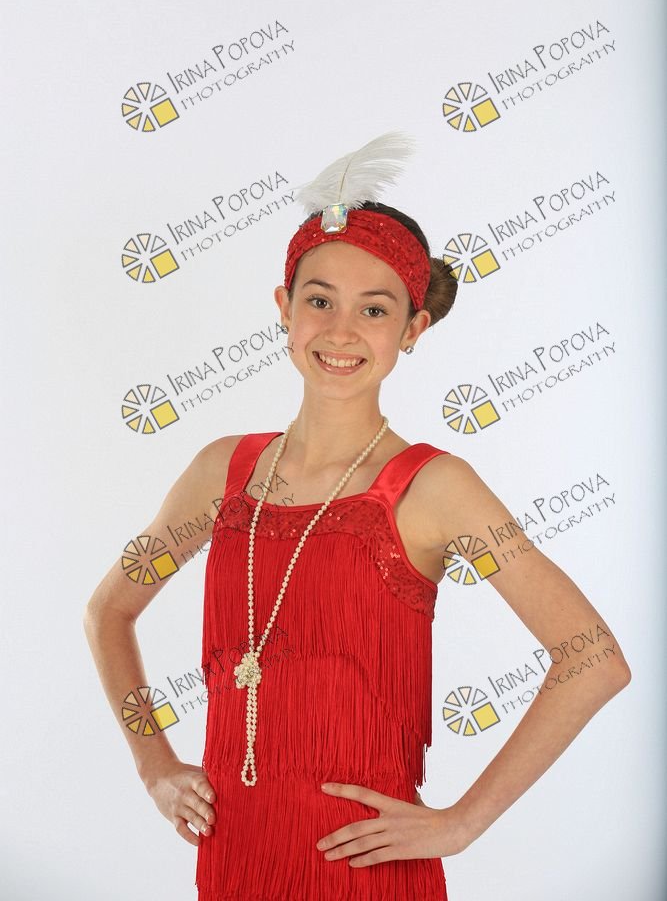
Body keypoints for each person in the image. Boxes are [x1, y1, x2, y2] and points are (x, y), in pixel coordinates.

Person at [84, 136, 631, 901]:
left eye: (374, 310)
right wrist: (154, 763)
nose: (341, 332)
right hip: (235, 852)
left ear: (411, 329)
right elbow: (110, 610)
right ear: (284, 308)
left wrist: (461, 822)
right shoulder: (221, 473)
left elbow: (591, 657)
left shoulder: (433, 488)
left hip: (368, 868)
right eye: (319, 301)